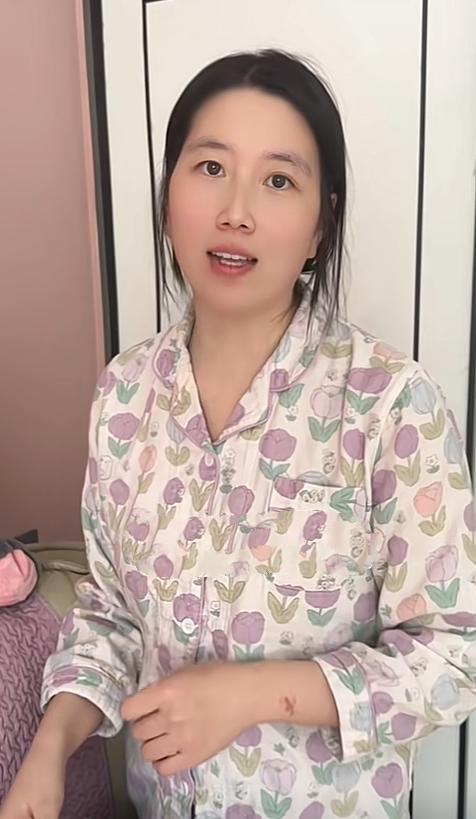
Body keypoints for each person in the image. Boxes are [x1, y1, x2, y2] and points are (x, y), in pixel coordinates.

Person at [2, 49, 476, 819]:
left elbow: (456, 654)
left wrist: (254, 694)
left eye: (279, 180)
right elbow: (112, 613)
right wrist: (50, 748)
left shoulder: (391, 403)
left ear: (321, 225)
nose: (237, 211)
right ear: (169, 197)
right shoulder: (125, 394)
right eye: (211, 167)